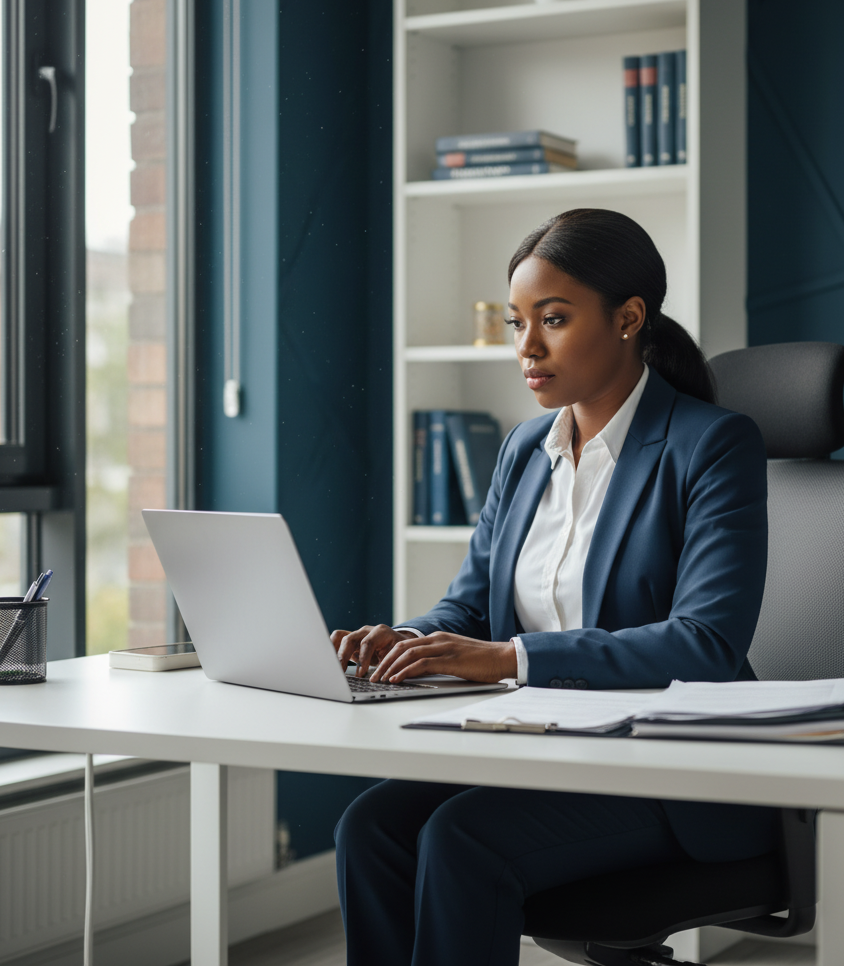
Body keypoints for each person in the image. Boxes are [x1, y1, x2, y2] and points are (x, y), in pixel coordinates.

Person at [330, 208, 776, 966]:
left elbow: (706, 645)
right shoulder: (525, 448)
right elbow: (471, 604)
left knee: (459, 838)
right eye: (516, 323)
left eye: (555, 319)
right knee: (370, 826)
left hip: (670, 775)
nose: (527, 348)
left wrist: (508, 659)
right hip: (539, 752)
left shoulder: (712, 445)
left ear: (630, 318)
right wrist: (406, 640)